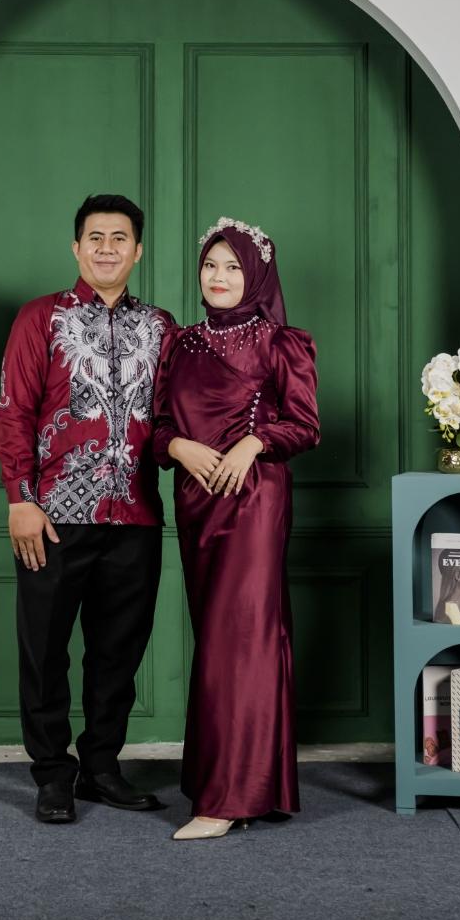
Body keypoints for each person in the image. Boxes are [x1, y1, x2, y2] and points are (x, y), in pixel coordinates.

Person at [0, 195, 175, 824]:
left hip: (136, 517)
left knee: (117, 654)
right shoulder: (40, 318)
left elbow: (172, 418)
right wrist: (21, 501)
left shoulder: (161, 326)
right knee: (44, 652)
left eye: (119, 238)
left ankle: (101, 767)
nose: (106, 248)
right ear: (77, 247)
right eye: (95, 237)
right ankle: (52, 775)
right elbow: (14, 411)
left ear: (138, 250)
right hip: (51, 519)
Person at [152, 217, 320, 840]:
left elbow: (305, 425)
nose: (218, 277)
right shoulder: (180, 343)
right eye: (210, 265)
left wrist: (253, 442)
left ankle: (223, 801)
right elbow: (157, 426)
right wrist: (178, 448)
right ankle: (254, 785)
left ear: (256, 276)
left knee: (241, 639)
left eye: (232, 267)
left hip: (254, 501)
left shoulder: (282, 343)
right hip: (196, 501)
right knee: (219, 638)